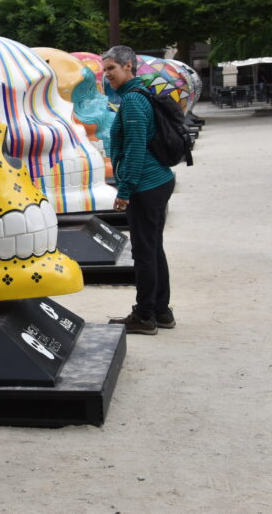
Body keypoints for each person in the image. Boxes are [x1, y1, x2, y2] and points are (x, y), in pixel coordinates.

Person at [102, 46, 176, 335]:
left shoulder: (133, 101)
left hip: (146, 184)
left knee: (144, 253)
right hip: (157, 180)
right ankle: (161, 310)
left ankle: (145, 316)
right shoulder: (140, 95)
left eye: (112, 68)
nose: (107, 74)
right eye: (104, 69)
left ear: (129, 66)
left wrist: (125, 191)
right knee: (154, 249)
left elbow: (134, 149)